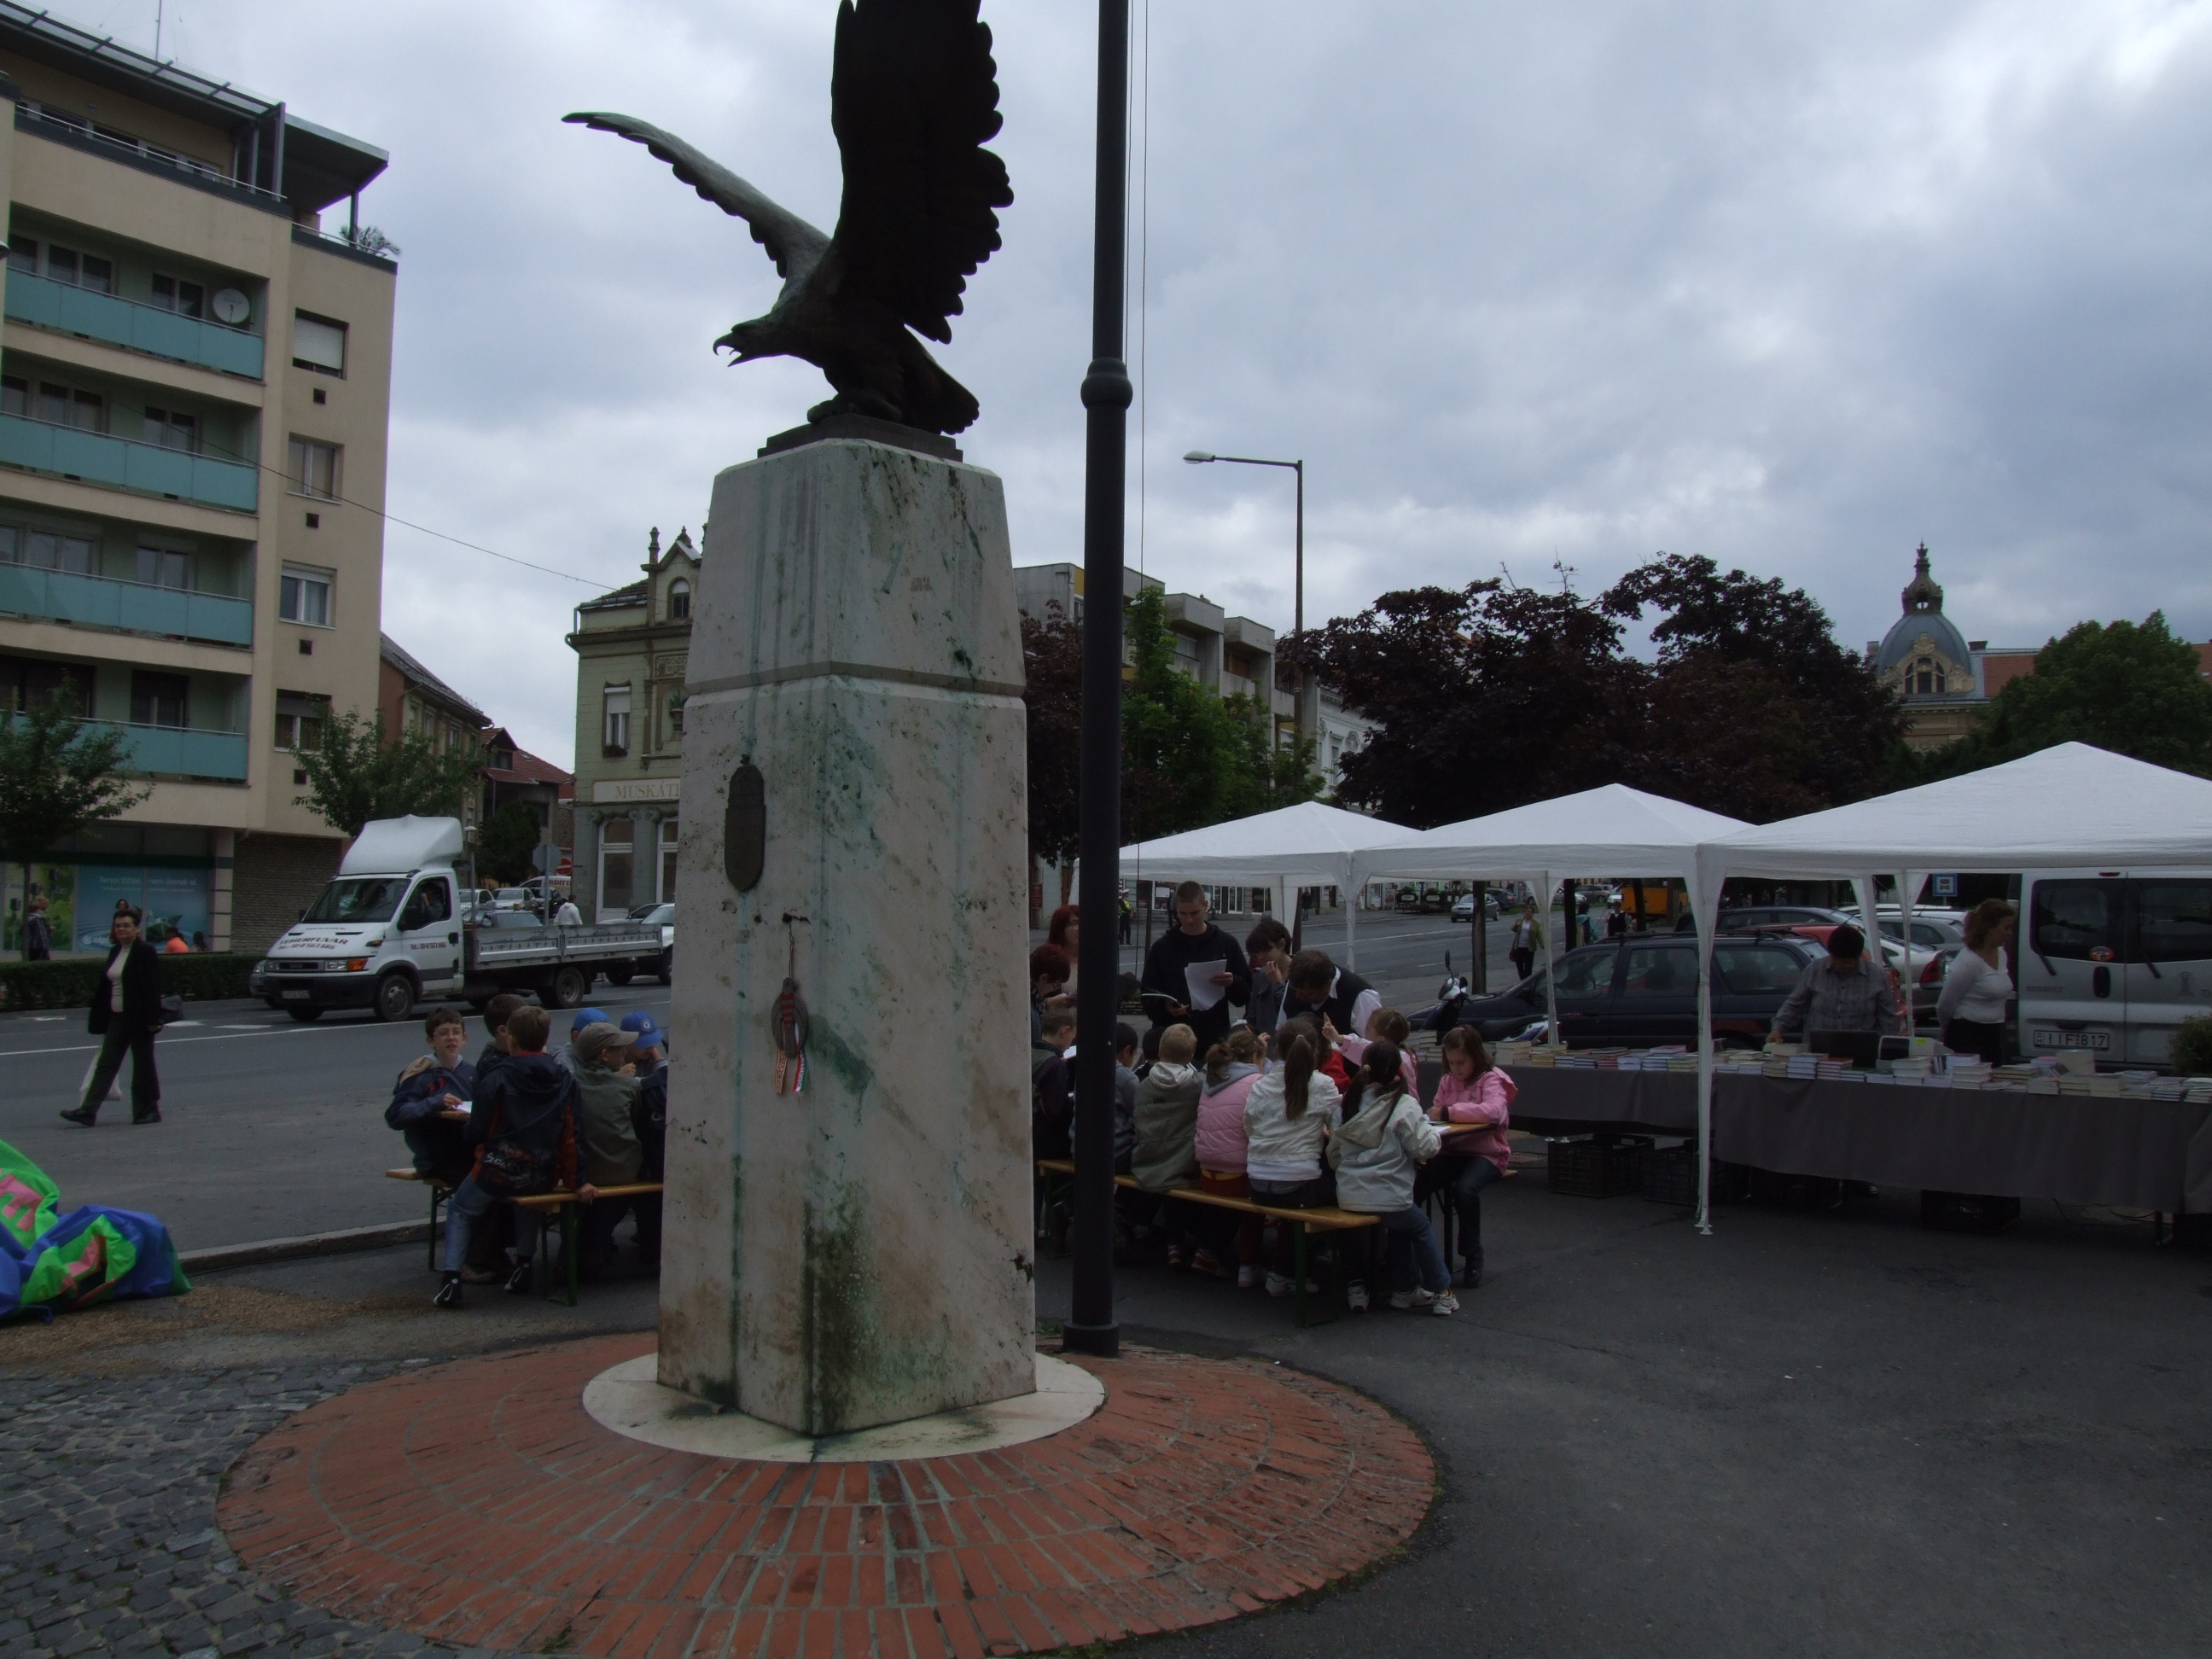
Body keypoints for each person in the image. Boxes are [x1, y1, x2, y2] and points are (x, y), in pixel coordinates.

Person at [435, 1003, 592, 1307]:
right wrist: (577, 1179)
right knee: (528, 1202)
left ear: (512, 1040)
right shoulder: (564, 1078)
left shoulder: (498, 1076)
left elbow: (479, 1129)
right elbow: (571, 1135)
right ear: (545, 1039)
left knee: (461, 1208)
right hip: (542, 1170)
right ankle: (524, 1264)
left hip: (497, 1168)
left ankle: (451, 1278)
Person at [1330, 1039, 1453, 1315]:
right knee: (1418, 1225)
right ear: (1399, 1071)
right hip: (1391, 1194)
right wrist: (1434, 1135)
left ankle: (1400, 1290)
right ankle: (1441, 1290)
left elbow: (1334, 1152)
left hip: (1350, 1193)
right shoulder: (1404, 1104)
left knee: (1395, 1226)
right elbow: (1424, 1148)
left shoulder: (1346, 1102)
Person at [1243, 1014, 1344, 1298]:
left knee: (1297, 1194)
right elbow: (1339, 1137)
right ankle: (1298, 1271)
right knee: (1347, 1193)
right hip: (1299, 1185)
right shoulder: (1323, 1085)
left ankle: (1282, 1270)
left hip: (1257, 1183)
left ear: (1278, 1049)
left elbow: (1249, 1128)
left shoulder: (1260, 1085)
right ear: (1316, 1051)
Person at [1418, 1026, 1515, 1288]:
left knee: (1465, 1190)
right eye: (1451, 1063)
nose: (1456, 1068)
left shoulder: (1491, 1079)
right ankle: (1412, 1250)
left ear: (1475, 1056)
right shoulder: (1447, 1080)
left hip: (1488, 1153)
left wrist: (1449, 1113)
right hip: (1452, 1150)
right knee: (1416, 1183)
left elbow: (1494, 1112)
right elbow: (1436, 1110)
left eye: (1461, 1062)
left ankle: (1472, 1254)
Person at [60, 905, 164, 1126]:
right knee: (106, 1064)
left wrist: (153, 1019)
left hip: (140, 1019)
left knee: (143, 1065)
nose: (122, 930)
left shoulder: (145, 951)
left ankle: (147, 1110)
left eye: (126, 926)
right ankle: (88, 1111)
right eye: (118, 926)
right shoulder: (116, 951)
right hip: (117, 1018)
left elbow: (152, 986)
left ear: (137, 929)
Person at [571, 1022, 647, 1274]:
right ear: (605, 1055)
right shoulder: (629, 1087)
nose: (624, 1053)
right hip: (621, 1171)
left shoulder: (570, 1084)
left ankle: (585, 1251)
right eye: (619, 1049)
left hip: (581, 1172)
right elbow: (637, 1121)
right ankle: (595, 1251)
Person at [1139, 882, 1250, 1054]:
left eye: (1194, 913)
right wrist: (1165, 1007)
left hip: (1214, 1040)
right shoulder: (1162, 947)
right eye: (1182, 914)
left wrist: (1232, 982)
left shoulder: (1226, 944)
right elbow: (1148, 993)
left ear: (1205, 906)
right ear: (1176, 910)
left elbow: (1245, 995)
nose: (1189, 920)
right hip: (1174, 1041)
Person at [1195, 1027, 1266, 1287]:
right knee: (1262, 1191)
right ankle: (1249, 1264)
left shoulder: (1212, 1079)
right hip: (1237, 1177)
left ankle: (1209, 1249)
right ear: (1255, 1057)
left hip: (1206, 1171)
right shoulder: (1255, 1083)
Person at [1131, 1023, 1206, 1267]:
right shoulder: (1197, 1086)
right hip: (1185, 1165)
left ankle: (1172, 1242)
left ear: (1160, 1050)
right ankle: (1187, 1244)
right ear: (1191, 1056)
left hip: (1147, 1161)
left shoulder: (1143, 1085)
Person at [385, 1006, 478, 1186]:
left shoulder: (471, 1073)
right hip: (436, 1157)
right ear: (431, 1041)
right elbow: (395, 1116)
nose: (451, 1037)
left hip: (469, 1151)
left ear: (464, 1039)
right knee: (480, 1182)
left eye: (456, 1032)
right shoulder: (420, 1075)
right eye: (443, 1033)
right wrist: (434, 1102)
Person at [1768, 923, 1905, 1045]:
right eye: (1835, 959)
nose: (1839, 965)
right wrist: (1778, 1028)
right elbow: (1794, 1005)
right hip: (1818, 1049)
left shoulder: (1876, 976)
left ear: (1858, 958)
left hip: (1860, 1050)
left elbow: (1887, 1018)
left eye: (1845, 962)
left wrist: (1887, 1046)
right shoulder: (1814, 971)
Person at [1936, 899, 2017, 1064]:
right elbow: (1944, 1005)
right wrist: (1948, 1029)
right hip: (1968, 1034)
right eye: (2006, 928)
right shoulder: (1968, 961)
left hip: (1996, 1031)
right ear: (1990, 927)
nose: (2010, 933)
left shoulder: (2001, 954)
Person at [1284, 948, 1380, 1045]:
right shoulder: (1296, 983)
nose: (1298, 997)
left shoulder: (1361, 997)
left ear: (1327, 985)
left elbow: (1372, 1047)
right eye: (1295, 990)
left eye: (1309, 994)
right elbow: (1281, 1030)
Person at [1333, 1007, 1422, 1097]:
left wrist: (1339, 1038)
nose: (1365, 1032)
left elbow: (1362, 1046)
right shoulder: (1402, 1055)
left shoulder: (1396, 1058)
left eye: (1368, 1029)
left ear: (1381, 1040)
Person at [1032, 1007, 1076, 1159]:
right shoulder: (1055, 1065)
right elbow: (1056, 1113)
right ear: (1065, 1030)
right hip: (1044, 1142)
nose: (1070, 1044)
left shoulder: (1029, 1053)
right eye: (1073, 1037)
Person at [1243, 917, 1294, 1038]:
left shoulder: (1300, 973)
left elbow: (1295, 1014)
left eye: (1266, 950)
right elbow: (1252, 1019)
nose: (1260, 956)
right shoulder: (1260, 977)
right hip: (1265, 1044)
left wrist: (1278, 984)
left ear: (1282, 944)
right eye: (1257, 952)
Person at [1029, 943, 1071, 1049]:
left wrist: (1048, 1004)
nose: (1055, 990)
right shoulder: (1029, 1010)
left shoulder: (1035, 999)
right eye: (1056, 985)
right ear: (1044, 978)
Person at [556, 1006, 610, 1075]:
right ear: (576, 1036)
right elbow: (571, 1081)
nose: (604, 1042)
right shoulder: (564, 1060)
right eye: (598, 1037)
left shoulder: (602, 1055)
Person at [1046, 904, 1080, 996]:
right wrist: (1050, 1002)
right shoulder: (1049, 961)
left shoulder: (1095, 960)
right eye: (1075, 923)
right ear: (1061, 929)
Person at [1511, 902, 1540, 982]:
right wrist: (1516, 925)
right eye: (1526, 911)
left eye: (1529, 912)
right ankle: (1523, 981)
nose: (1528, 913)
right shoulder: (1520, 921)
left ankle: (1527, 982)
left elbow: (1539, 934)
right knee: (1519, 965)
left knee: (1528, 967)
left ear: (1532, 913)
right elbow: (1514, 930)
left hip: (1529, 948)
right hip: (1519, 947)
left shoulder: (1535, 923)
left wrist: (1543, 944)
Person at [23, 894, 52, 961]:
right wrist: (45, 946)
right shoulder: (37, 919)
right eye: (43, 908)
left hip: (34, 945)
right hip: (39, 946)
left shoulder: (28, 919)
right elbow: (41, 934)